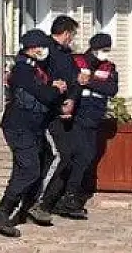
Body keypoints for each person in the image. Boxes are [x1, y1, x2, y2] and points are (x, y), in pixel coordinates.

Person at [0, 30, 68, 237]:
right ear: (32, 48)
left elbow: (46, 94)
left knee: (42, 160)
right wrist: (56, 89)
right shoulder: (23, 69)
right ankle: (2, 210)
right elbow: (42, 94)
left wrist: (56, 90)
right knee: (30, 169)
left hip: (35, 126)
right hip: (19, 126)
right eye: (41, 47)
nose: (45, 51)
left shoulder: (38, 68)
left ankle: (26, 207)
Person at [48, 33, 119, 218]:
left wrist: (90, 82)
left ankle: (72, 195)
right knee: (82, 155)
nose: (105, 53)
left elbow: (112, 89)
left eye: (107, 50)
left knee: (87, 157)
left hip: (94, 118)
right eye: (103, 49)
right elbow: (71, 82)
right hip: (76, 117)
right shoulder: (77, 61)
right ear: (94, 48)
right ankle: (67, 196)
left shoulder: (108, 67)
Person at [35, 15, 81, 222]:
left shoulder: (66, 54)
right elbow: (38, 79)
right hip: (47, 112)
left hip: (63, 111)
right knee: (58, 155)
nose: (72, 39)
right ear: (67, 33)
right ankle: (38, 202)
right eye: (72, 34)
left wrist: (71, 98)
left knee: (68, 155)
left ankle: (53, 200)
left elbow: (74, 80)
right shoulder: (46, 51)